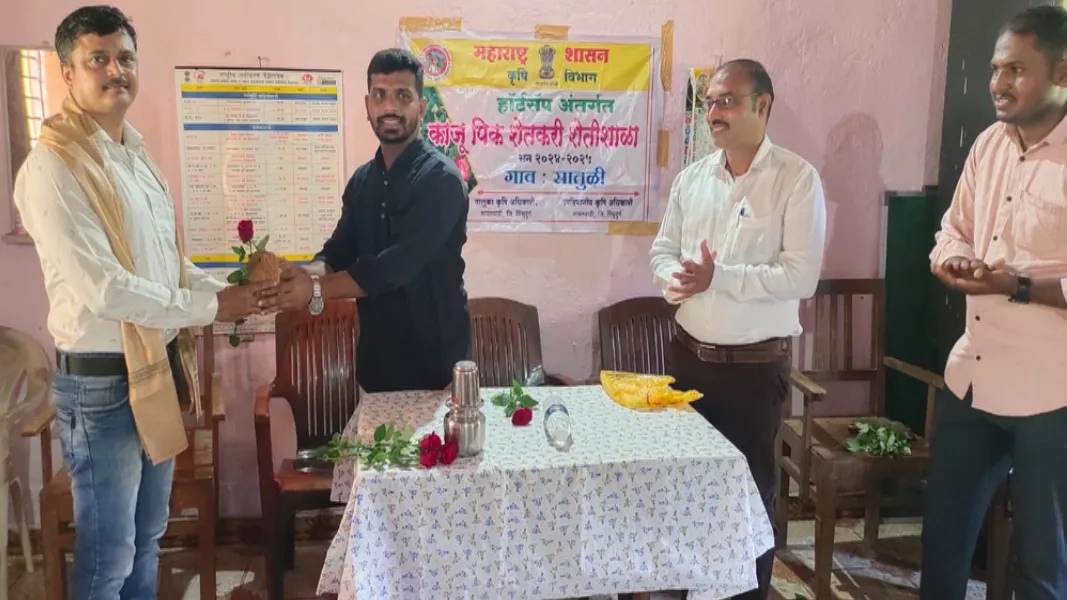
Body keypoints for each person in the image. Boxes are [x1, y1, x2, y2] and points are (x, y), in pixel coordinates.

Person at [13, 6, 269, 598]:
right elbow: (105, 289)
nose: (115, 70)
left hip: (153, 369)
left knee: (149, 536)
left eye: (125, 57)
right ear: (67, 72)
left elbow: (169, 267)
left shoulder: (135, 155)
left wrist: (235, 295)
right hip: (101, 386)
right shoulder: (53, 166)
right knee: (108, 558)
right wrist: (215, 309)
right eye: (97, 59)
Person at [648, 59, 826, 600]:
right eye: (709, 102)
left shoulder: (796, 179)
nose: (713, 113)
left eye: (726, 100)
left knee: (746, 494)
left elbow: (801, 276)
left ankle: (747, 594)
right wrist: (675, 281)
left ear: (762, 105)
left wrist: (718, 277)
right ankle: (691, 589)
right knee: (688, 487)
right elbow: (662, 250)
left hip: (752, 369)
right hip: (688, 362)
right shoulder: (692, 178)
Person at [922, 6, 1067, 599]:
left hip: (1051, 394)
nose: (998, 83)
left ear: (1062, 72)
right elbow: (952, 229)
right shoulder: (988, 144)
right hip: (973, 378)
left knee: (1041, 564)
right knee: (943, 542)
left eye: (1016, 69)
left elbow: (1022, 279)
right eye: (994, 68)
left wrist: (1017, 285)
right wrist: (954, 260)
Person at [260, 48, 471, 392]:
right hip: (377, 372)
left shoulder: (442, 180)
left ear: (421, 107)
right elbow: (338, 252)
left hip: (439, 375)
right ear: (367, 105)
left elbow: (393, 268)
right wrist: (298, 275)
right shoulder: (362, 181)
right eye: (380, 95)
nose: (389, 107)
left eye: (403, 95)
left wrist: (313, 289)